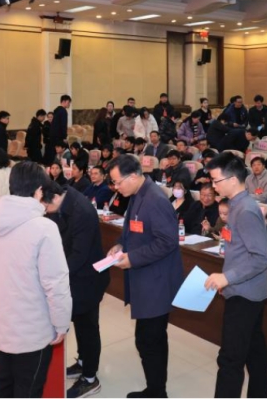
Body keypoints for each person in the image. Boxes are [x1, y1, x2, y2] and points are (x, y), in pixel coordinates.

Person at [0, 162, 71, 399]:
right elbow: (55, 283)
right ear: (39, 190)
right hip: (32, 328)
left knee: (4, 381)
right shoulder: (44, 228)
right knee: (29, 387)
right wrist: (61, 323)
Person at [107, 155, 184, 398]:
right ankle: (155, 389)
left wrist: (133, 258)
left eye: (118, 182)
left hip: (157, 281)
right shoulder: (137, 194)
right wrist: (120, 244)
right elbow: (132, 230)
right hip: (145, 279)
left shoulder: (155, 200)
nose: (116, 187)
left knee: (150, 340)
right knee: (147, 338)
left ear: (133, 176)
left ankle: (157, 392)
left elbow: (168, 241)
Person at [203, 152, 267, 398]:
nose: (213, 186)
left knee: (230, 358)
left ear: (232, 180)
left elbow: (261, 258)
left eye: (216, 180)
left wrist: (227, 277)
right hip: (242, 289)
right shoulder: (235, 206)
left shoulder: (246, 210)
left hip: (246, 294)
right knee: (254, 351)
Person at [39, 179, 109, 399]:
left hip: (88, 279)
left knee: (88, 326)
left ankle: (90, 378)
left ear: (54, 198)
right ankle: (82, 361)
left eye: (44, 206)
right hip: (73, 277)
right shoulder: (61, 203)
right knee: (79, 322)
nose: (44, 211)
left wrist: (53, 274)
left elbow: (78, 256)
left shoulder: (82, 212)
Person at [47, 96, 71, 165]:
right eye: (68, 102)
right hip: (60, 137)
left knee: (55, 154)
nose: (69, 104)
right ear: (64, 101)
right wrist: (64, 137)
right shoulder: (63, 111)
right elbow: (63, 125)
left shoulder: (56, 111)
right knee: (66, 152)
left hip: (53, 136)